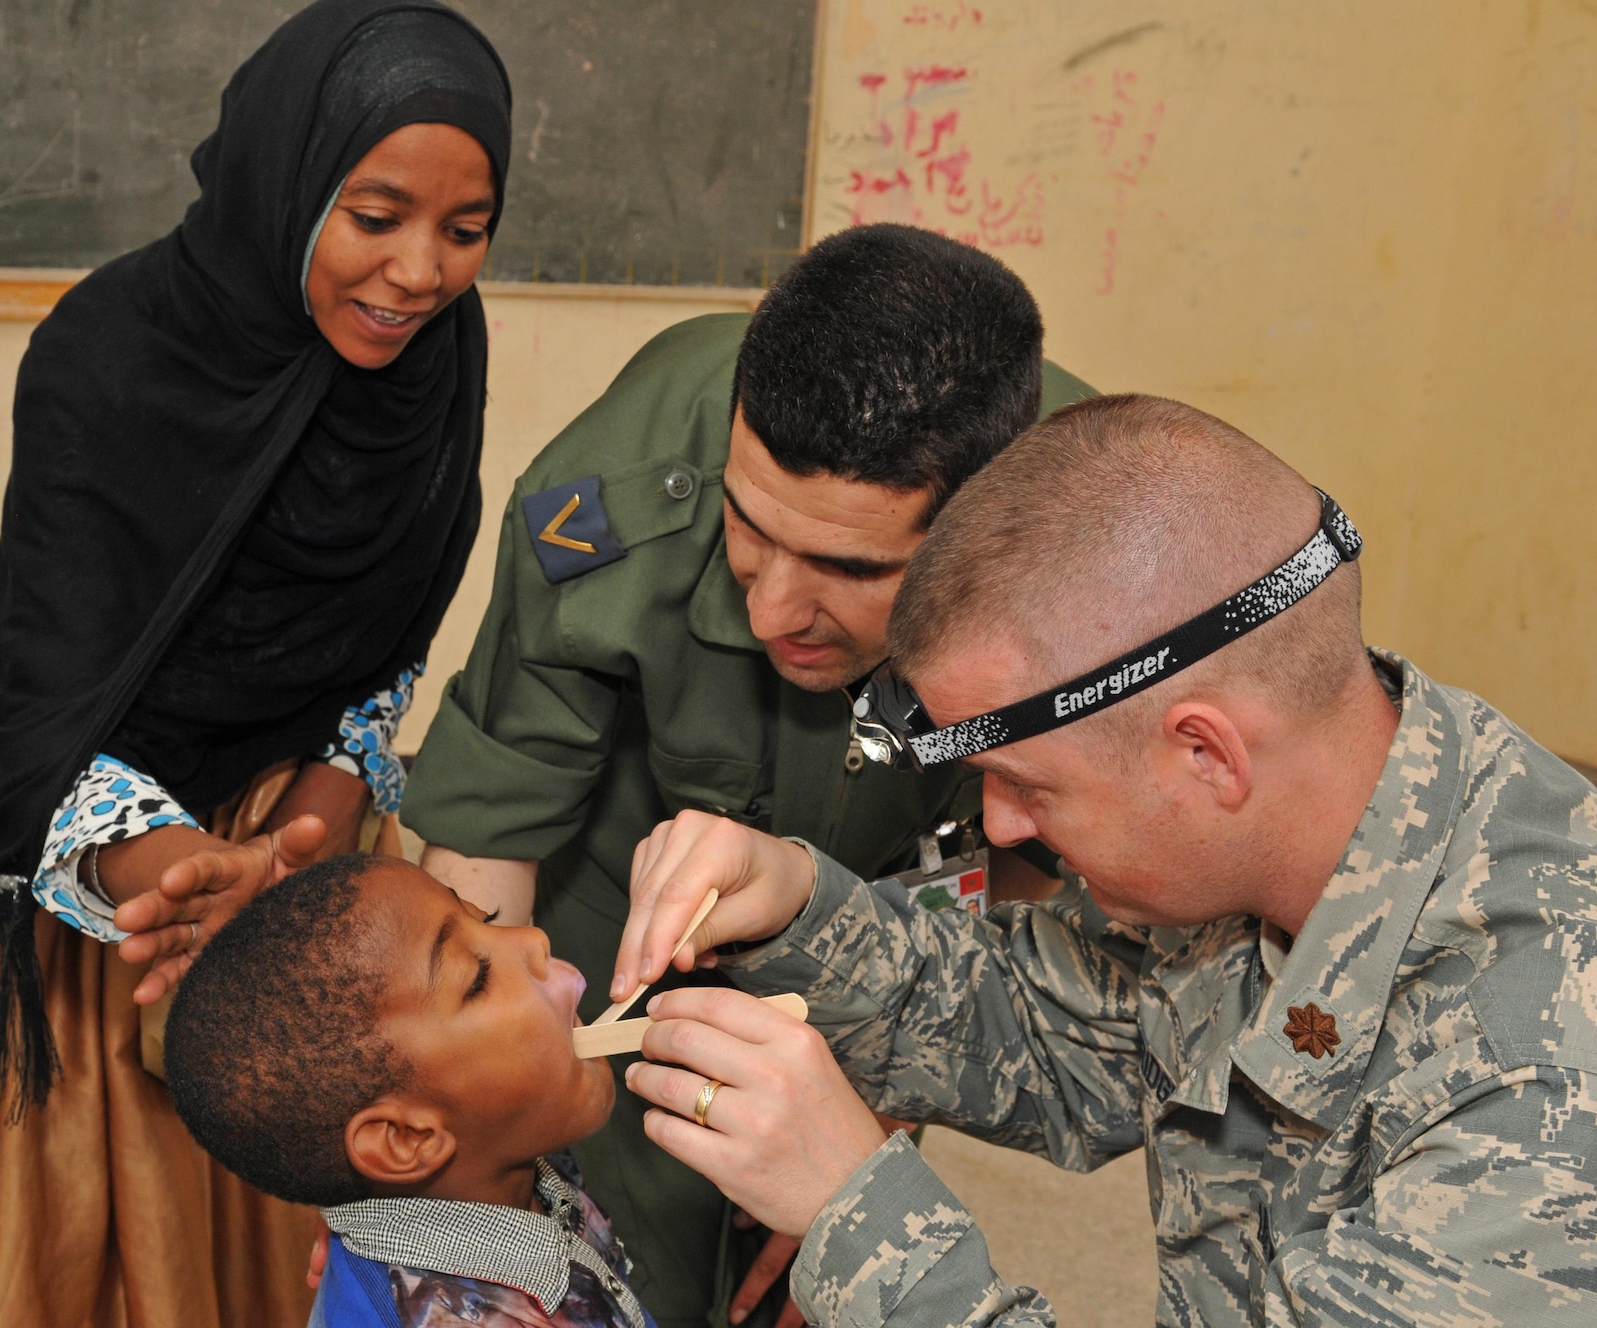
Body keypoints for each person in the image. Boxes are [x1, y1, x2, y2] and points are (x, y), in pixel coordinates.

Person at [612, 394, 1597, 1325]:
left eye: (1026, 785)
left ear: (1204, 752)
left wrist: (861, 1219)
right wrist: (793, 908)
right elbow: (1036, 1029)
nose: (1000, 826)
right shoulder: (1295, 824)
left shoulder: (1539, 1084)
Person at [0, 4, 512, 1325]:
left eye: (465, 231)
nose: (420, 273)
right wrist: (178, 885)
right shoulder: (114, 352)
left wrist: (303, 834)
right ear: (288, 180)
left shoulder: (434, 364)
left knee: (271, 1239)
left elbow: (385, 642)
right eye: (375, 216)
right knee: (59, 1252)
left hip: (284, 874)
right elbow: (45, 676)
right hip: (83, 869)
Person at [398, 222, 1094, 1328]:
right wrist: (441, 1183)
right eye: (747, 526)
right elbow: (493, 823)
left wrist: (872, 1125)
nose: (771, 608)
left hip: (907, 913)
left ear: (979, 542)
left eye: (847, 568)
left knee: (816, 1280)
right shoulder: (612, 494)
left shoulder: (1095, 555)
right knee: (635, 1266)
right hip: (616, 916)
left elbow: (1051, 910)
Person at [162, 853, 647, 1328]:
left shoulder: (515, 1156)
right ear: (404, 1139)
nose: (534, 939)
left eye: (490, 918)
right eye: (477, 978)